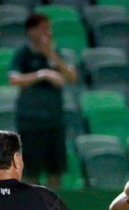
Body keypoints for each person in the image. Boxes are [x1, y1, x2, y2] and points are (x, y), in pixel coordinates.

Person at [8, 13, 78, 189]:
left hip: (54, 120)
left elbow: (71, 77)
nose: (48, 33)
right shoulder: (23, 54)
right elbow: (14, 79)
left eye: (49, 28)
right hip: (30, 121)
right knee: (31, 170)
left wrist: (51, 55)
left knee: (55, 170)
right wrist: (42, 74)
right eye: (43, 28)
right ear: (31, 31)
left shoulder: (57, 53)